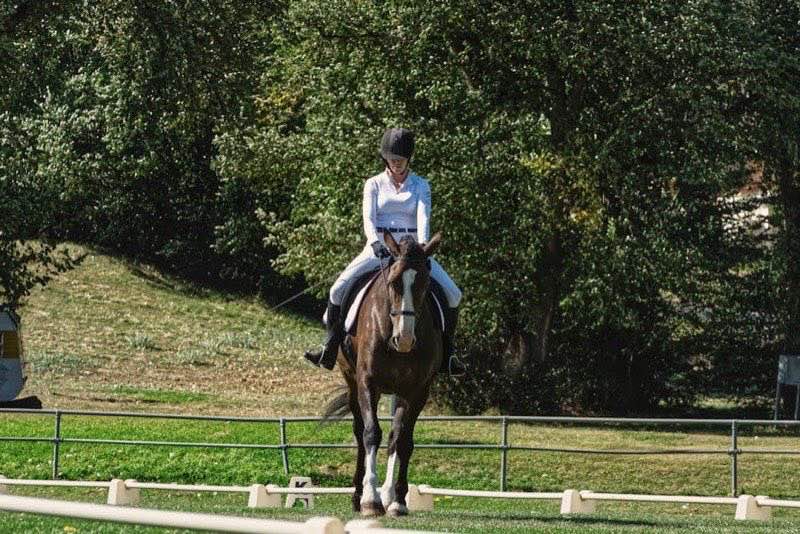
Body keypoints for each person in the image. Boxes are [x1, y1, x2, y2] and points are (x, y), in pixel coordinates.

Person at [304, 127, 465, 376]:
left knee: (453, 294)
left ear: (409, 159)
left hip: (412, 252)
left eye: (400, 159)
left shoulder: (421, 185)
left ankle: (449, 355)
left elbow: (423, 218)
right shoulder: (374, 184)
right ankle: (330, 347)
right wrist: (374, 242)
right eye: (392, 159)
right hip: (380, 247)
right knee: (336, 290)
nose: (396, 164)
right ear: (385, 159)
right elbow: (369, 218)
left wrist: (422, 247)